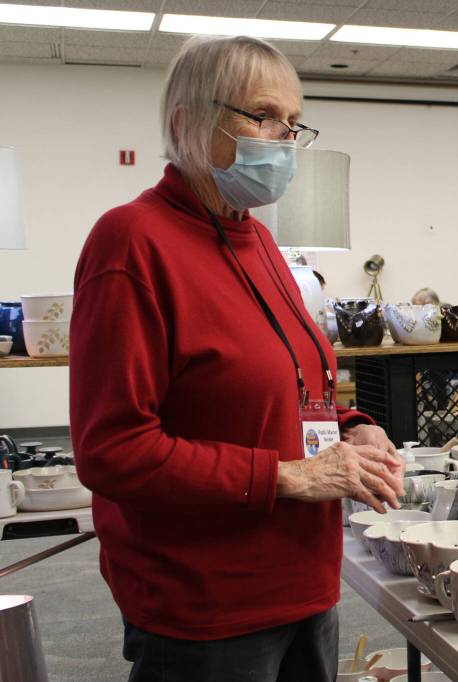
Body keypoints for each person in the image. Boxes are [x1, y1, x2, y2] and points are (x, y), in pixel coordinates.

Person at [69, 36, 404, 682]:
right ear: (187, 123)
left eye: (293, 122)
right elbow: (111, 449)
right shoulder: (132, 242)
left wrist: (350, 427)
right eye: (263, 116)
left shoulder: (257, 241)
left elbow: (289, 387)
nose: (284, 138)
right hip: (207, 607)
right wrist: (284, 477)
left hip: (304, 585)